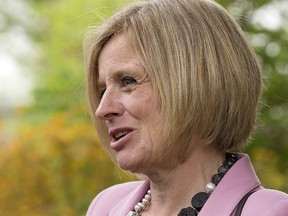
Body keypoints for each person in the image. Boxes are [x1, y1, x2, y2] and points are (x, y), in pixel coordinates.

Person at [83, 0, 288, 215]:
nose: (102, 109)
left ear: (198, 81)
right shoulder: (105, 206)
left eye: (127, 81)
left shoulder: (270, 211)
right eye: (101, 91)